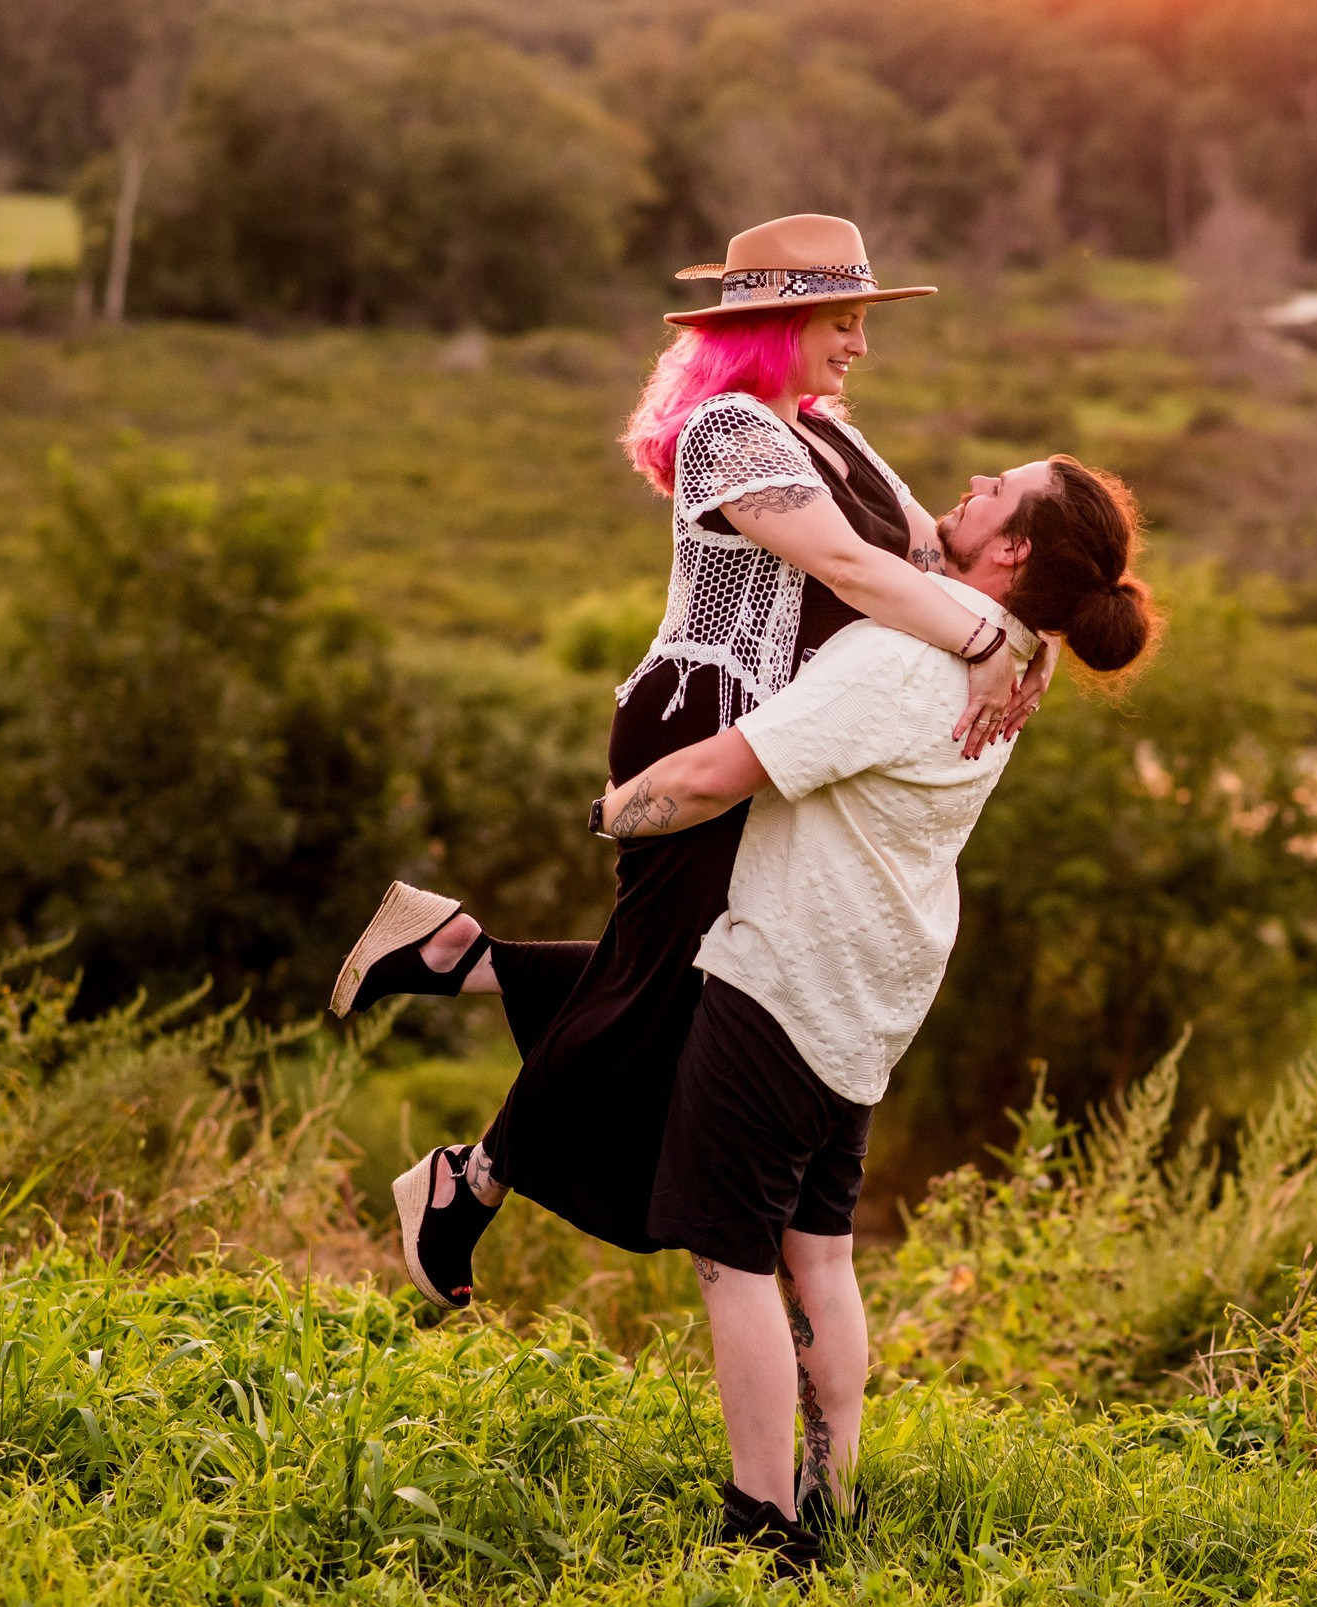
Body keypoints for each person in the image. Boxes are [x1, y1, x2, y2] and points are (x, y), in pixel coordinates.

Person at [326, 215, 1057, 1309]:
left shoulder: (832, 435)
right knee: (657, 990)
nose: (858, 345)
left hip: (785, 744)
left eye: (860, 322)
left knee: (682, 985)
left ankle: (453, 956)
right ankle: (466, 1182)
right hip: (697, 718)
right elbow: (850, 567)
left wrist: (1039, 638)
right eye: (843, 323)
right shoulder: (728, 433)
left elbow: (925, 554)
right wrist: (985, 641)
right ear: (780, 324)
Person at [587, 452, 1156, 1570]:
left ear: (1015, 549)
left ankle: (764, 1524)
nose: (975, 477)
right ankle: (830, 1497)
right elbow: (873, 510)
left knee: (731, 1253)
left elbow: (715, 776)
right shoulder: (1007, 650)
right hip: (869, 991)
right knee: (820, 1250)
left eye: (1000, 485)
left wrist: (609, 812)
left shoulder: (907, 655)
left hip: (787, 975)